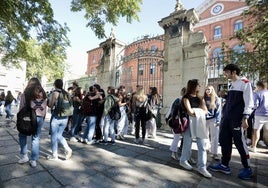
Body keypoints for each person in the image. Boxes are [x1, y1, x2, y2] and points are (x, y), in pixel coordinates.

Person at [209, 63, 254, 180]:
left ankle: (247, 167)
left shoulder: (245, 83)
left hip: (236, 119)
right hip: (226, 119)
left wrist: (245, 118)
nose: (225, 74)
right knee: (224, 141)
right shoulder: (232, 84)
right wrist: (226, 96)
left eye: (227, 72)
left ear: (234, 72)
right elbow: (234, 101)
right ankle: (224, 165)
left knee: (240, 143)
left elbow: (249, 103)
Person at [179, 79, 212, 178]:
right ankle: (183, 160)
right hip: (189, 123)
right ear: (193, 86)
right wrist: (199, 111)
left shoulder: (199, 98)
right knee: (187, 143)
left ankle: (202, 167)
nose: (200, 87)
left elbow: (206, 111)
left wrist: (196, 111)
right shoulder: (186, 97)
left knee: (202, 146)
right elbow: (189, 112)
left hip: (199, 123)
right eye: (198, 85)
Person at [17, 78, 47, 168]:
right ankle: (33, 160)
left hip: (27, 117)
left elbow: (21, 107)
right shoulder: (43, 93)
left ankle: (24, 156)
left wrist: (19, 118)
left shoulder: (25, 93)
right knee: (36, 138)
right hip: (39, 118)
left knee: (22, 135)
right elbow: (45, 108)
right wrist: (43, 117)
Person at [47, 79, 72, 160]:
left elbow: (51, 105)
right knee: (59, 135)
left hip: (56, 117)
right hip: (65, 117)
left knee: (54, 137)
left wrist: (49, 101)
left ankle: (55, 155)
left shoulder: (55, 93)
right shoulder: (66, 93)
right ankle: (67, 149)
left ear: (55, 84)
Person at [167, 87, 186, 160]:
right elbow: (174, 112)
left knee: (178, 138)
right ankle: (173, 153)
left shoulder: (180, 99)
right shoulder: (180, 100)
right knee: (177, 138)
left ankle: (175, 152)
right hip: (178, 122)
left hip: (179, 122)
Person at [203, 85, 222, 161]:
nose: (208, 90)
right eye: (206, 89)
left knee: (215, 136)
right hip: (204, 119)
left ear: (212, 90)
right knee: (205, 136)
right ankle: (206, 149)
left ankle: (215, 153)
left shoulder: (217, 99)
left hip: (213, 119)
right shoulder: (203, 98)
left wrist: (218, 121)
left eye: (209, 89)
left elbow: (219, 111)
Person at [249, 81, 268, 152]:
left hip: (259, 115)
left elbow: (255, 105)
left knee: (256, 130)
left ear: (259, 86)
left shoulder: (257, 93)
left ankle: (254, 147)